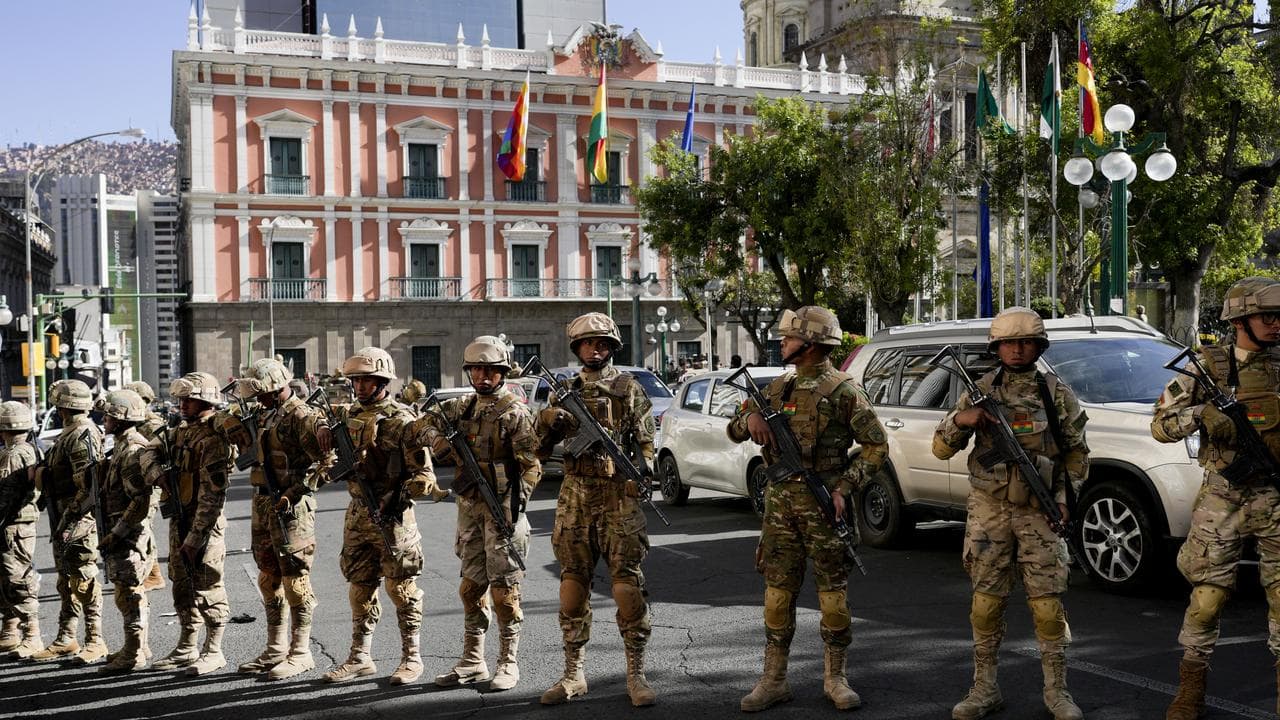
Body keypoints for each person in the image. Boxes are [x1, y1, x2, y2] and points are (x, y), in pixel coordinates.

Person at [727, 305, 888, 713]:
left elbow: (876, 446)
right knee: (777, 596)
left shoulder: (843, 390)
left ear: (812, 343)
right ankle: (773, 679)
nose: (782, 342)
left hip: (825, 505)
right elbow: (733, 428)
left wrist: (845, 486)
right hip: (781, 505)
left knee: (833, 597)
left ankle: (836, 678)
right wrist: (751, 423)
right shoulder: (776, 388)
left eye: (789, 338)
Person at [932, 306, 1089, 720]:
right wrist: (960, 421)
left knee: (1048, 606)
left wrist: (1063, 498)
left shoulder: (1055, 393)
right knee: (985, 604)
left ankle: (1058, 692)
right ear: (996, 347)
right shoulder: (977, 390)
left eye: (1025, 343)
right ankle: (984, 688)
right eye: (1009, 343)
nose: (1017, 350)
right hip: (990, 508)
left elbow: (1077, 455)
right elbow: (941, 449)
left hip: (1040, 511)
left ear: (1039, 346)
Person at [1152, 277, 1280, 720]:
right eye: (1268, 316)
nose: (1277, 324)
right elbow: (1161, 425)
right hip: (1222, 497)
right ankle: (1190, 691)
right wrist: (1201, 414)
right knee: (1207, 598)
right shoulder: (1206, 367)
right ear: (1240, 318)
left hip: (1276, 496)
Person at [535, 312, 658, 707]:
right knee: (572, 587)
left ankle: (636, 674)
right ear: (577, 348)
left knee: (627, 587)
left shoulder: (629, 388)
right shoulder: (563, 390)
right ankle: (573, 674)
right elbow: (537, 448)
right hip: (575, 496)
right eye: (588, 343)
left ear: (612, 348)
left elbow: (646, 441)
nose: (595, 348)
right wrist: (548, 420)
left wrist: (642, 471)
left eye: (603, 343)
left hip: (618, 496)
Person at [417, 336, 541, 691]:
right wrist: (435, 439)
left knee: (505, 592)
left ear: (502, 372)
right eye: (477, 370)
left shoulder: (515, 412)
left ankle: (508, 661)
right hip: (470, 508)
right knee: (471, 587)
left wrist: (514, 507)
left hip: (503, 510)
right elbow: (419, 425)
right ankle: (473, 660)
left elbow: (531, 466)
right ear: (469, 372)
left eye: (491, 370)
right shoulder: (460, 408)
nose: (483, 376)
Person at [322, 347, 442, 686]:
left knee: (401, 589)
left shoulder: (401, 420)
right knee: (360, 586)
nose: (360, 386)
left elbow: (424, 473)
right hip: (358, 513)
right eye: (356, 380)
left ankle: (412, 657)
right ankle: (360, 656)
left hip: (392, 516)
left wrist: (412, 488)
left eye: (368, 380)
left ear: (383, 381)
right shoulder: (346, 416)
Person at [232, 358, 332, 681]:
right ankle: (275, 647)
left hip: (291, 508)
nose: (257, 400)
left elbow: (325, 461)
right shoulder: (265, 412)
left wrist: (296, 490)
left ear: (278, 389)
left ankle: (301, 652)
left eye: (262, 394)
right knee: (268, 577)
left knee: (296, 580)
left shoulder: (301, 415)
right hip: (263, 503)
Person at [140, 371, 234, 676]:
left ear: (204, 400)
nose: (182, 404)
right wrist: (157, 473)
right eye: (181, 399)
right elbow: (148, 451)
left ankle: (214, 649)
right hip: (179, 517)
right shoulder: (179, 431)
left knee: (208, 584)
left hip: (203, 523)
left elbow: (212, 495)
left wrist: (196, 536)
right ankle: (186, 646)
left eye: (189, 400)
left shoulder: (212, 439)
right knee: (182, 585)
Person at [30, 379, 107, 664]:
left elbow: (89, 484)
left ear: (62, 405)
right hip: (63, 515)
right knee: (66, 580)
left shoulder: (82, 433)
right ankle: (66, 637)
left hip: (76, 517)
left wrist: (72, 516)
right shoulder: (70, 432)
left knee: (84, 579)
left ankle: (95, 640)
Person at [94, 390, 155, 674]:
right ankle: (136, 646)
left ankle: (133, 654)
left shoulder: (131, 450)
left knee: (129, 594)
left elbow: (140, 500)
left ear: (121, 418)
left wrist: (117, 533)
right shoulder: (120, 444)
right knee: (127, 592)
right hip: (123, 531)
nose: (104, 419)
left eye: (109, 415)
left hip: (128, 534)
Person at [0, 401, 43, 658]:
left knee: (17, 579)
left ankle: (32, 635)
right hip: (15, 524)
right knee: (6, 579)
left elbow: (5, 496)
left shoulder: (13, 454)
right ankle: (11, 631)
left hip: (12, 525)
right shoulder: (26, 449)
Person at [125, 379, 168, 593]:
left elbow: (164, 453)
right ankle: (152, 573)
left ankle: (153, 574)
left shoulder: (151, 425)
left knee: (144, 527)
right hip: (141, 481)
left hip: (151, 482)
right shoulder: (140, 422)